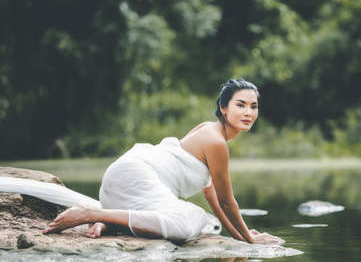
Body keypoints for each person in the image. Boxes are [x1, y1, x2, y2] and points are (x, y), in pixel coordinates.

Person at [41, 78, 283, 244]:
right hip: (136, 176)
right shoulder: (216, 142)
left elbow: (210, 194)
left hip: (123, 184)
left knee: (198, 220)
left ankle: (109, 220)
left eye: (254, 106)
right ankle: (88, 214)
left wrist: (239, 236)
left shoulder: (209, 130)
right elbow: (226, 201)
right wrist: (251, 241)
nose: (248, 112)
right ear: (223, 107)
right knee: (190, 223)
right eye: (240, 105)